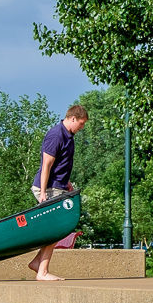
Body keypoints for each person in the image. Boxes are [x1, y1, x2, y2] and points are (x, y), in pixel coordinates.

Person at [27, 104, 88, 281]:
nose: (82, 127)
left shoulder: (69, 136)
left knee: (59, 228)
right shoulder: (56, 134)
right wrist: (44, 193)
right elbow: (46, 164)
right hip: (48, 187)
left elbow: (61, 165)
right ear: (73, 118)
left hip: (58, 186)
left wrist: (67, 183)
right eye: (81, 123)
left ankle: (38, 263)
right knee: (56, 228)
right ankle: (42, 271)